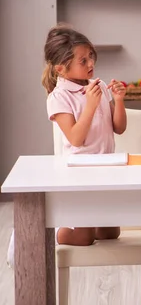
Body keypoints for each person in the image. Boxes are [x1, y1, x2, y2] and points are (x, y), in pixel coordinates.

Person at [7, 24, 127, 268]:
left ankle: (81, 223)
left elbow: (119, 127)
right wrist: (91, 106)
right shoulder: (58, 97)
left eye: (91, 56)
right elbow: (75, 138)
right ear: (61, 68)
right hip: (79, 174)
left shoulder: (98, 87)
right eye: (83, 60)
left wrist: (119, 100)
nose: (90, 62)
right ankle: (46, 231)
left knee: (110, 233)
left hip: (106, 170)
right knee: (84, 237)